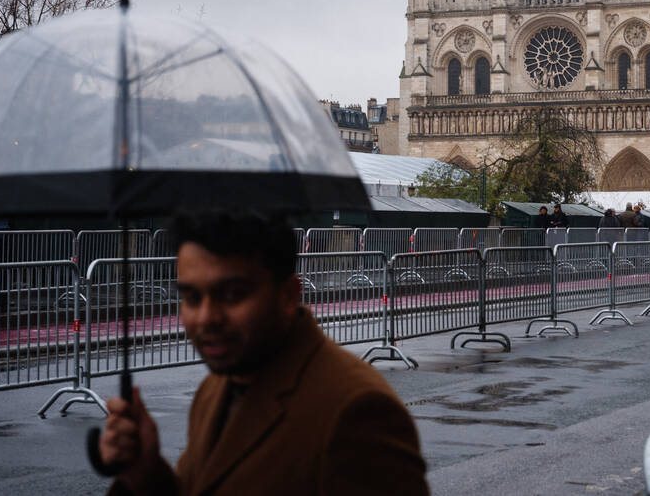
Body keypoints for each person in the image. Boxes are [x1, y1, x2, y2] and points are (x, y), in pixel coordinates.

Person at [97, 211, 429, 495]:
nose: (206, 318)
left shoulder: (357, 412)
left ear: (288, 295)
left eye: (233, 295)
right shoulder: (215, 389)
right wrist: (145, 473)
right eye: (192, 297)